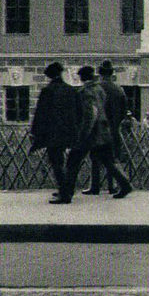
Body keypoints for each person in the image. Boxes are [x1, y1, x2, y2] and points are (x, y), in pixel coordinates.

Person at [53, 66, 132, 204]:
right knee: (108, 161)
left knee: (72, 162)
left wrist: (82, 134)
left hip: (90, 134)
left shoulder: (86, 91)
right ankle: (125, 185)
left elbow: (91, 114)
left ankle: (66, 194)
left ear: (82, 77)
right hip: (104, 131)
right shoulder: (99, 89)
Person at [30, 61, 82, 199]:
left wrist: (35, 132)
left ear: (49, 76)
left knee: (56, 163)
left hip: (53, 133)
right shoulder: (71, 90)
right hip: (69, 132)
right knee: (67, 163)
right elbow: (80, 113)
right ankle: (67, 190)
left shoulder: (47, 91)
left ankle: (64, 193)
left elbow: (40, 114)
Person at [85, 60, 128, 195]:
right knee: (112, 158)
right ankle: (112, 186)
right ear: (111, 73)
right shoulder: (119, 89)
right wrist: (116, 123)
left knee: (95, 158)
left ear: (100, 74)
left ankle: (95, 186)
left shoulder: (97, 89)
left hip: (99, 128)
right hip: (114, 129)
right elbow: (124, 110)